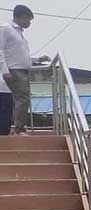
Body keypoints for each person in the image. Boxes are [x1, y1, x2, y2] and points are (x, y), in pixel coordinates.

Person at [0, 6, 46, 136]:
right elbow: (0, 50)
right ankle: (19, 129)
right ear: (20, 17)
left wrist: (37, 59)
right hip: (14, 70)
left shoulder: (19, 33)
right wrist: (5, 70)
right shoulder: (6, 29)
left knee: (23, 99)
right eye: (28, 19)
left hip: (22, 70)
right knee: (22, 99)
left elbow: (19, 54)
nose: (29, 23)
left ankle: (19, 128)